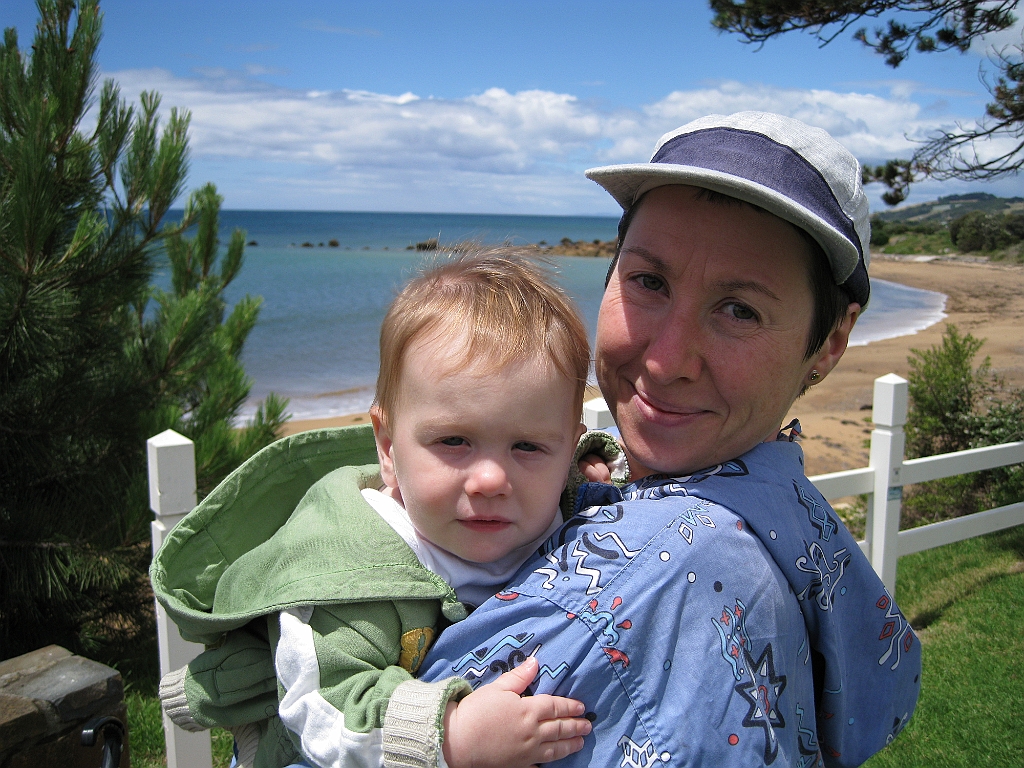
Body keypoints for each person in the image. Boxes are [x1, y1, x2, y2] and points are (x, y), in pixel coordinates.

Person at [415, 112, 922, 767]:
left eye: (740, 310)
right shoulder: (785, 519)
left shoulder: (640, 585)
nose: (665, 360)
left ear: (829, 342)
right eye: (649, 281)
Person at [152, 250, 625, 768]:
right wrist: (451, 737)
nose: (491, 480)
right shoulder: (347, 575)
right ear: (388, 447)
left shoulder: (556, 493)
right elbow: (323, 714)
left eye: (528, 447)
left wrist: (591, 470)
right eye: (454, 441)